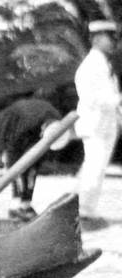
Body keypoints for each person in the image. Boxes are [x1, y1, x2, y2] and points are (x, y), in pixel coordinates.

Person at [75, 19, 122, 218]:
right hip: (96, 125)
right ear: (96, 39)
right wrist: (118, 99)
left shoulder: (102, 63)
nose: (114, 41)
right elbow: (92, 98)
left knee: (94, 169)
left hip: (105, 126)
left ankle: (83, 210)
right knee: (93, 170)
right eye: (109, 37)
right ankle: (83, 212)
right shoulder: (91, 65)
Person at [0, 97, 63, 222]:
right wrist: (4, 151)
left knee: (33, 168)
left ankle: (25, 204)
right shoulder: (26, 122)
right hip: (11, 124)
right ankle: (15, 207)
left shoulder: (59, 123)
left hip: (34, 129)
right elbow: (12, 150)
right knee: (17, 169)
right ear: (43, 130)